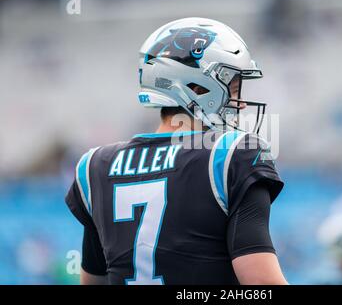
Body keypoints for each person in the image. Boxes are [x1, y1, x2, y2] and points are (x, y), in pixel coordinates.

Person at [65, 17, 287, 285]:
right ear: (196, 88)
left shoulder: (95, 166)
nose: (239, 104)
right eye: (234, 88)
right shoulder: (233, 156)